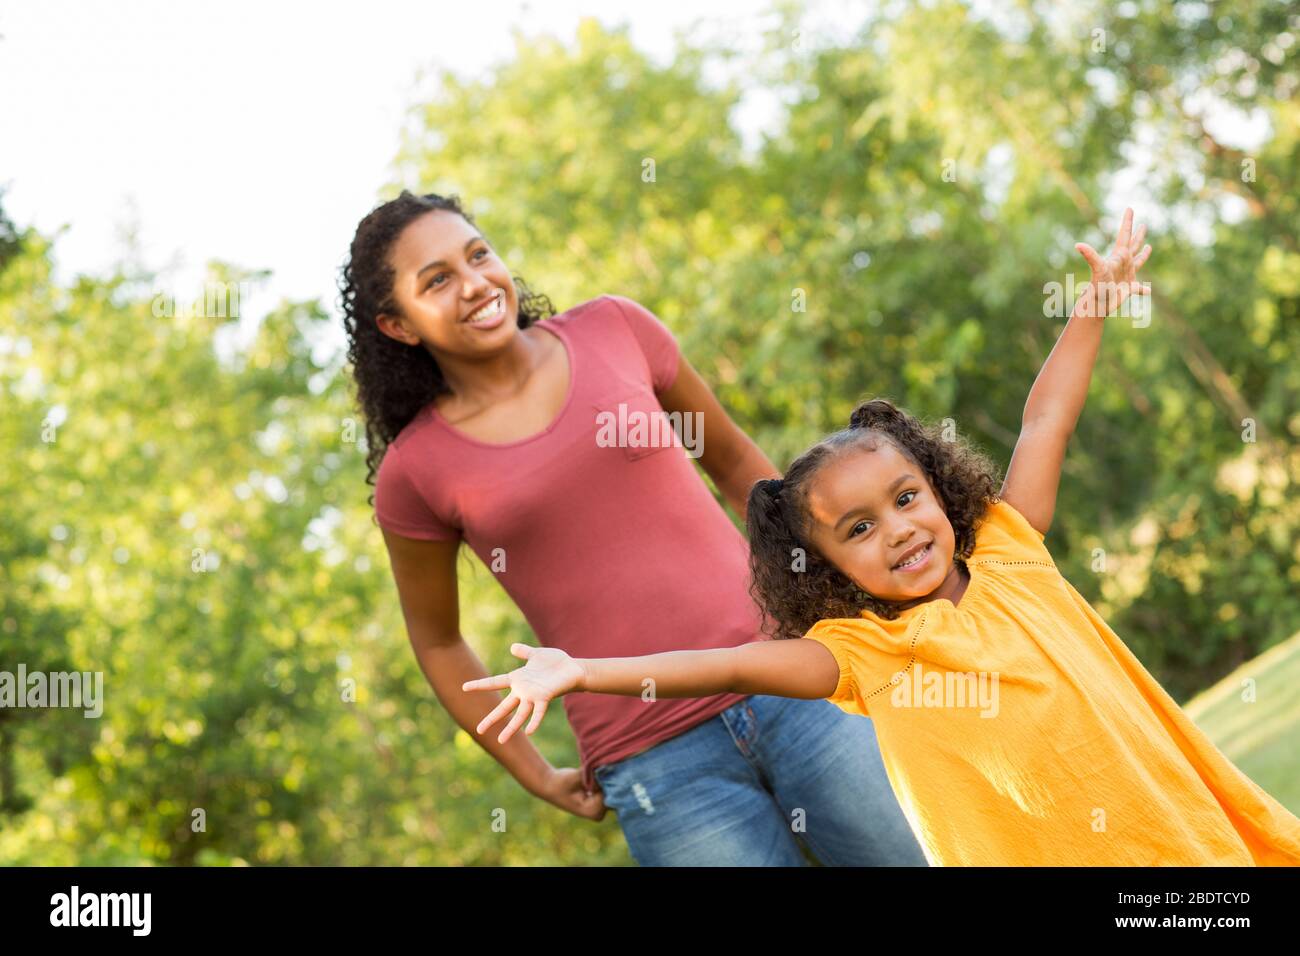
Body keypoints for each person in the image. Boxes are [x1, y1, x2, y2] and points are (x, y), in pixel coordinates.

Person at [464, 208, 1300, 865]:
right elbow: (723, 664)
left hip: (1178, 847)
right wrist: (581, 672)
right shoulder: (862, 657)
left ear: (938, 489)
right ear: (822, 565)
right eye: (858, 529)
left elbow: (1044, 417)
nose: (898, 530)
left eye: (906, 498)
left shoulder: (1009, 549)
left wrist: (1091, 309)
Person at [340, 189, 927, 866]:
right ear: (398, 325)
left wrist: (829, 598)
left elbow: (740, 468)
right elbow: (439, 642)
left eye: (478, 255)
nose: (474, 284)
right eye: (437, 280)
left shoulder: (615, 330)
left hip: (795, 679)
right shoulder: (414, 473)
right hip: (656, 763)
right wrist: (533, 773)